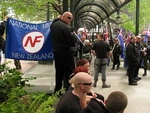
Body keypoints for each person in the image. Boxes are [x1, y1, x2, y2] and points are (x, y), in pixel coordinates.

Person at [50, 12, 77, 93]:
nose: (70, 20)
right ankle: (69, 91)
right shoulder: (67, 28)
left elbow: (53, 23)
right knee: (70, 72)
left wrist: (57, 18)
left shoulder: (54, 25)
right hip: (66, 53)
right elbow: (73, 40)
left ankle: (57, 90)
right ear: (63, 17)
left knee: (59, 72)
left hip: (56, 52)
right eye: (68, 18)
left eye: (71, 18)